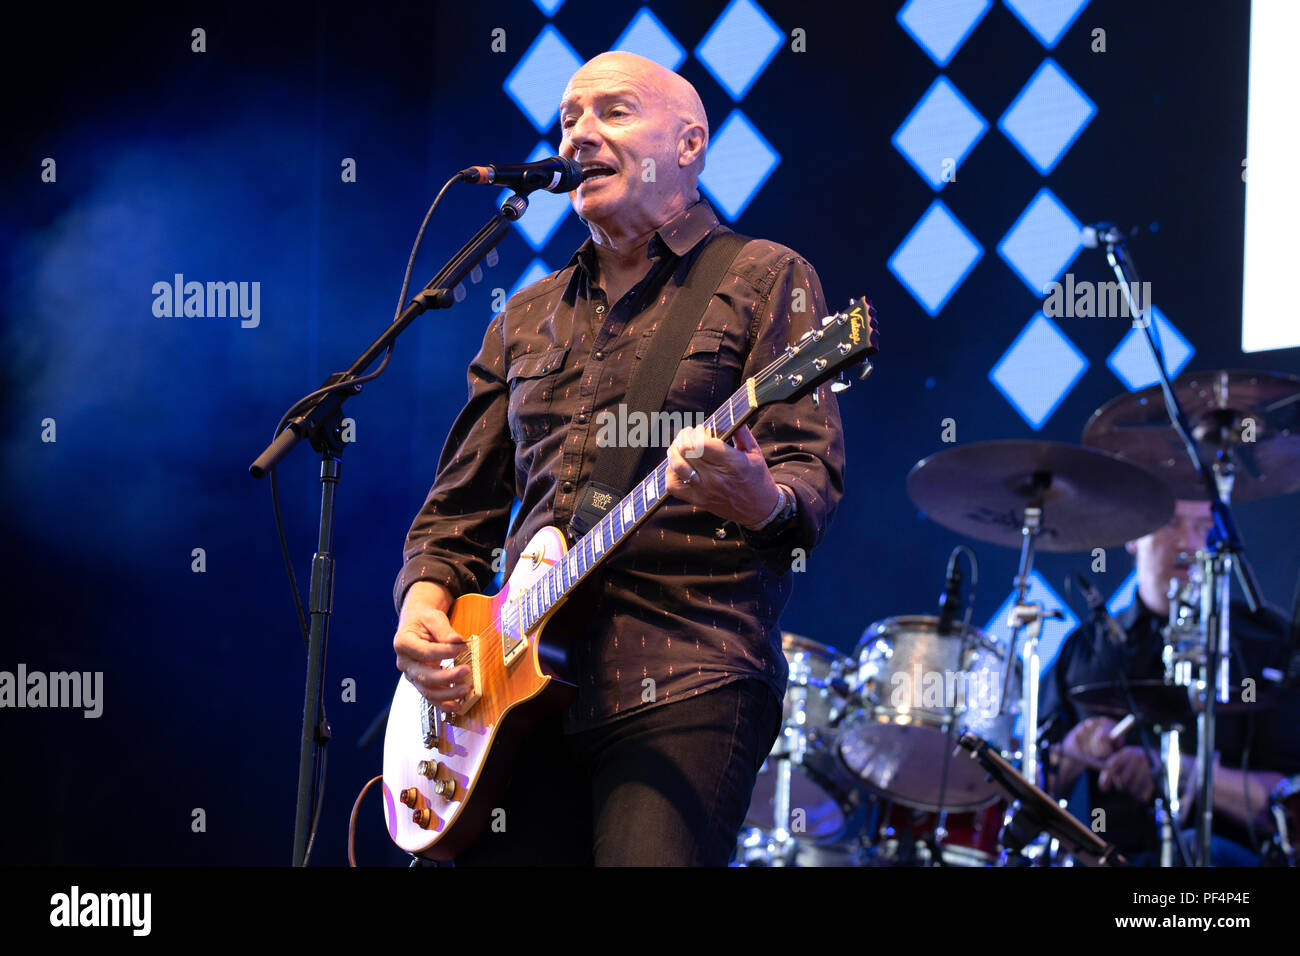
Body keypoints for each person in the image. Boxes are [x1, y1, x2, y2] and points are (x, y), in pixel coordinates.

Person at [390, 51, 869, 865]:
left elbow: (805, 487)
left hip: (689, 676)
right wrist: (422, 606)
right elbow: (460, 507)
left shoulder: (764, 278)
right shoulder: (525, 315)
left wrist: (755, 496)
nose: (579, 134)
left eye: (612, 112)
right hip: (512, 692)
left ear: (689, 145)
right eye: (570, 117)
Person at [1040, 498, 1300, 865]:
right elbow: (1032, 790)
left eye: (1203, 527)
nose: (1188, 544)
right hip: (1111, 859)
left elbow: (1289, 806)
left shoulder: (1265, 643)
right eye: (1170, 523)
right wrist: (1072, 752)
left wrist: (1177, 771)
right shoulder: (1086, 649)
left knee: (1195, 849)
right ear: (1133, 535)